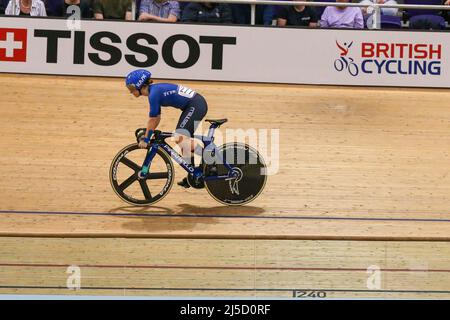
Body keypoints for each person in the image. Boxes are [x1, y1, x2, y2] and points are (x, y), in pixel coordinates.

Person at [125, 69, 208, 188]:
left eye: (131, 88)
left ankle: (210, 156)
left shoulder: (153, 94)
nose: (130, 91)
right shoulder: (154, 91)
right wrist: (149, 133)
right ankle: (194, 175)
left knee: (180, 138)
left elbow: (153, 119)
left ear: (139, 84)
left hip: (195, 105)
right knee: (184, 141)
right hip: (192, 105)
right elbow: (157, 118)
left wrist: (147, 139)